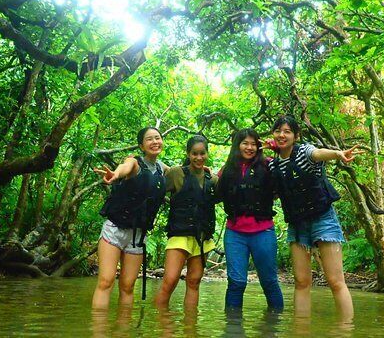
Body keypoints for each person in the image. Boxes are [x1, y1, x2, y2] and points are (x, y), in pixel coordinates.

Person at [267, 115, 362, 318]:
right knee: (301, 282)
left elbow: (318, 154)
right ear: (273, 134)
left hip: (323, 219)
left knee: (335, 281)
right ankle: (301, 331)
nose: (282, 135)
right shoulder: (272, 165)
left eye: (287, 131)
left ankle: (345, 331)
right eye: (278, 131)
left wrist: (337, 154)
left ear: (296, 135)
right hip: (297, 224)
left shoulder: (304, 152)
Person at [92, 127, 168, 308]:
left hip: (138, 236)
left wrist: (201, 168)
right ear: (142, 145)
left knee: (127, 286)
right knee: (106, 281)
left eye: (157, 138)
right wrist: (115, 175)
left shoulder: (163, 169)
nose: (155, 142)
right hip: (115, 230)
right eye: (149, 139)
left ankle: (123, 332)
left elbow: (184, 174)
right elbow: (124, 168)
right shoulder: (134, 162)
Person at [216, 128, 283, 311]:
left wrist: (278, 151)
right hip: (235, 233)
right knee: (236, 282)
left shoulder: (269, 164)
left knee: (269, 282)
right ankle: (232, 328)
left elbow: (285, 176)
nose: (250, 147)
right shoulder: (226, 170)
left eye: (253, 143)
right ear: (237, 145)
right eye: (245, 143)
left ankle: (273, 327)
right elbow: (213, 193)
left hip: (263, 231)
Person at [154, 135, 218, 309]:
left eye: (202, 153)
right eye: (194, 153)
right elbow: (155, 186)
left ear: (207, 154)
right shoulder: (176, 173)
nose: (199, 158)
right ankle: (161, 326)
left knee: (194, 282)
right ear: (188, 154)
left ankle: (191, 329)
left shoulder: (212, 180)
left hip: (202, 238)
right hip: (180, 234)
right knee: (170, 280)